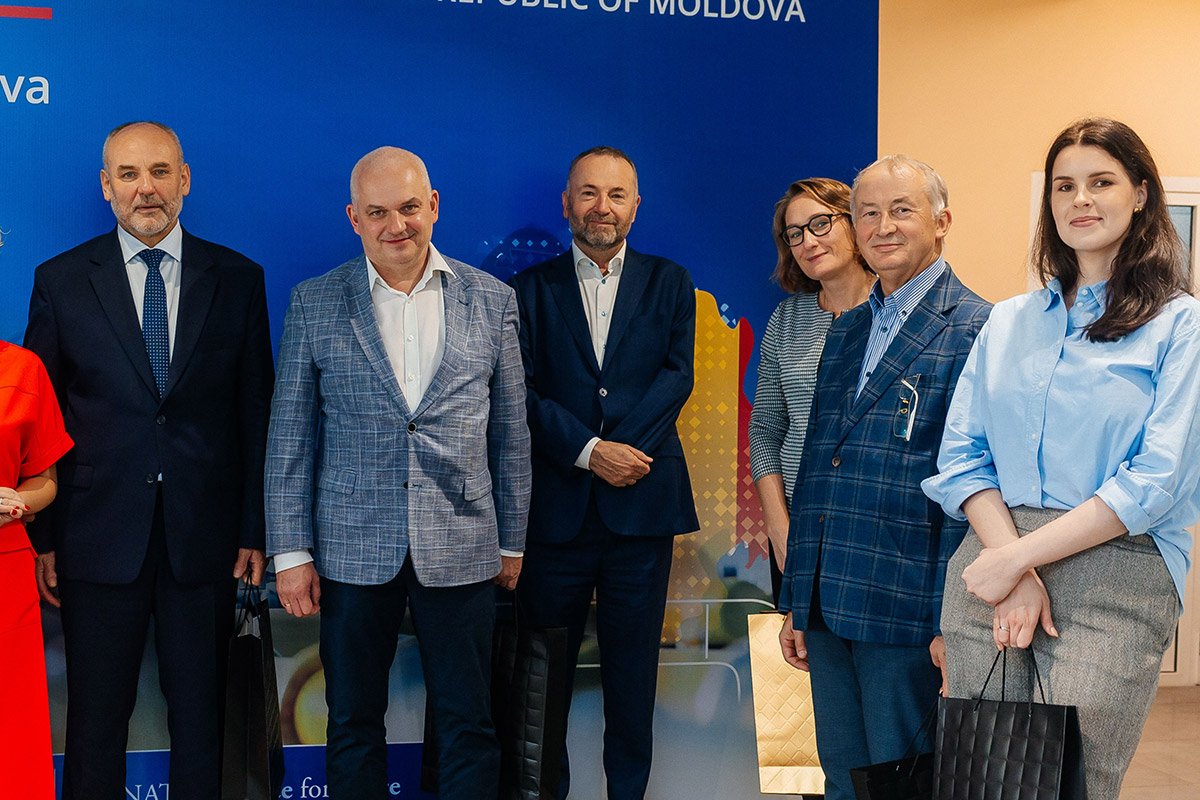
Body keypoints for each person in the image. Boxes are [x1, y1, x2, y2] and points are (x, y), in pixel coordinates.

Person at [923, 118, 1200, 800]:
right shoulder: (1009, 320)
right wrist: (1010, 562)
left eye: (1101, 182)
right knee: (979, 777)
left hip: (1115, 566)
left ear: (1141, 193)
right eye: (1064, 185)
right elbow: (962, 457)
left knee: (1075, 781)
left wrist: (1021, 559)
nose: (1081, 199)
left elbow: (1156, 480)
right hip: (990, 557)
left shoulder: (1179, 323)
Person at [265, 147, 531, 800]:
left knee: (469, 723)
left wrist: (512, 539)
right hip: (351, 548)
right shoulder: (316, 302)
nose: (396, 225)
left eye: (410, 208)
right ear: (353, 218)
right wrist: (290, 552)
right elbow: (291, 435)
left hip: (464, 545)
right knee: (353, 722)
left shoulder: (491, 299)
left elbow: (510, 433)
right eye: (378, 212)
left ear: (433, 206)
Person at [23, 121, 274, 800]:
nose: (146, 189)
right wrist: (45, 540)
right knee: (95, 720)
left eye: (160, 172)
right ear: (106, 187)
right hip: (95, 537)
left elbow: (257, 412)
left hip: (207, 541)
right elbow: (39, 423)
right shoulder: (61, 281)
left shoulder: (238, 279)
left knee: (203, 718)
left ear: (184, 180)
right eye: (129, 174)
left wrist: (254, 528)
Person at [776, 155, 991, 800]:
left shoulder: (979, 329)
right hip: (829, 600)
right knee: (842, 779)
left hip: (907, 606)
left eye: (901, 210)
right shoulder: (847, 330)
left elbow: (974, 483)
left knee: (906, 782)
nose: (883, 226)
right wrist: (798, 600)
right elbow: (818, 469)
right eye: (868, 213)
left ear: (942, 221)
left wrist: (952, 619)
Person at [510, 145, 698, 800]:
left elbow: (677, 377)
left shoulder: (670, 282)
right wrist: (591, 451)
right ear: (567, 204)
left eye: (616, 195)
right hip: (554, 517)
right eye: (588, 193)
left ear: (635, 207)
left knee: (632, 678)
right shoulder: (528, 291)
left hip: (641, 508)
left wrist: (620, 453)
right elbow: (522, 392)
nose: (602, 207)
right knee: (542, 681)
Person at [750, 178, 874, 601]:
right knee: (801, 641)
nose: (808, 242)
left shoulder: (896, 312)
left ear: (855, 224)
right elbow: (765, 430)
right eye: (795, 233)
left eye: (821, 224)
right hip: (796, 520)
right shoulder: (786, 319)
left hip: (869, 522)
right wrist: (778, 527)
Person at [1, 229, 74, 800]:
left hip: (7, 577)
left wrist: (18, 502)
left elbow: (46, 481)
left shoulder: (23, 370)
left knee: (14, 737)